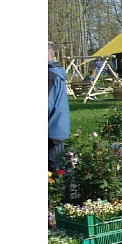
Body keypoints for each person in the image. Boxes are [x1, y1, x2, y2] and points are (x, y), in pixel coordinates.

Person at [48, 42, 70, 173]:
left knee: (54, 174)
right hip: (58, 128)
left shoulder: (49, 76)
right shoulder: (57, 73)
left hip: (50, 132)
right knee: (59, 171)